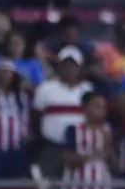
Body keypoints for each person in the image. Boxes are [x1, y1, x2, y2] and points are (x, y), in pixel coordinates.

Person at [32, 45, 93, 179]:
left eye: (73, 65)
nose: (70, 69)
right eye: (66, 65)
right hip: (52, 147)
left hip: (80, 148)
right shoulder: (45, 89)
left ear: (80, 68)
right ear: (59, 66)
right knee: (49, 185)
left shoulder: (88, 90)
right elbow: (35, 116)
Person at [60, 90, 114, 189]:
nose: (101, 110)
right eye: (97, 106)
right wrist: (91, 156)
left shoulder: (109, 131)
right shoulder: (73, 129)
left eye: (103, 107)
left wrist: (107, 144)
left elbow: (112, 161)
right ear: (85, 108)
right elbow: (67, 157)